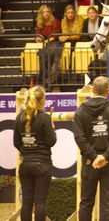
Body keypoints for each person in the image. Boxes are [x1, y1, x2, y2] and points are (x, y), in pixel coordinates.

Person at [73, 76, 109, 221]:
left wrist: (94, 157)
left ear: (92, 90)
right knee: (107, 202)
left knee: (86, 202)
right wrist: (105, 156)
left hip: (90, 163)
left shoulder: (81, 111)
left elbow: (79, 138)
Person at [14, 86, 56, 221]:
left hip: (25, 164)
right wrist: (52, 128)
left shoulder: (19, 117)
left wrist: (27, 151)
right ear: (42, 100)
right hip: (42, 164)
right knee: (40, 202)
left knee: (26, 202)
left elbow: (16, 142)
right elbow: (51, 142)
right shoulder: (44, 117)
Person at [35, 5, 62, 85]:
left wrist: (48, 39)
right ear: (41, 14)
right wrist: (38, 38)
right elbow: (39, 34)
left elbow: (55, 34)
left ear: (50, 13)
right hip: (45, 43)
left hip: (55, 42)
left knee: (45, 55)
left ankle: (40, 78)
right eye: (44, 12)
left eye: (47, 12)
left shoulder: (55, 21)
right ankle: (44, 78)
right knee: (43, 57)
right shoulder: (40, 23)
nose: (46, 13)